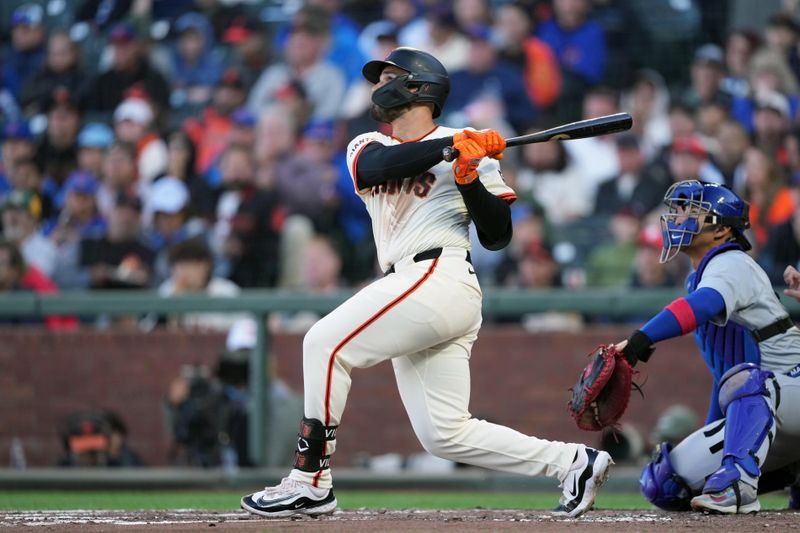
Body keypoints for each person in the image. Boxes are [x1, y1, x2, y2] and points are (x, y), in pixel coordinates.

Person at [240, 47, 612, 519]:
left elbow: (497, 236)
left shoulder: (469, 144)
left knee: (324, 343)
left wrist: (470, 176)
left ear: (419, 86)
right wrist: (449, 151)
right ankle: (573, 463)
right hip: (412, 286)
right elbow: (377, 169)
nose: (378, 86)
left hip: (440, 275)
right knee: (444, 434)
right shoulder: (369, 145)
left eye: (388, 76)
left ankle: (310, 479)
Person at [614, 180, 800, 514]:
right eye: (679, 209)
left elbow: (701, 305)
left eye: (692, 210)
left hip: (792, 386)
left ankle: (737, 485)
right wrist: (717, 434)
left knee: (749, 383)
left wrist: (642, 338)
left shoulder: (731, 261)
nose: (679, 216)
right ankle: (790, 471)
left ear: (722, 230)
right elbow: (725, 376)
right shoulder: (701, 274)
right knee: (665, 484)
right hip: (771, 409)